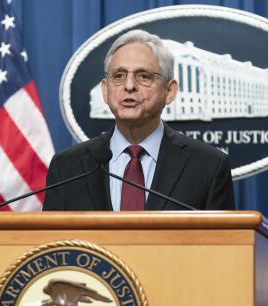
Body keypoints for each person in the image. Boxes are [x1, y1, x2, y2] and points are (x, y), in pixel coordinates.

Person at [43, 29, 234, 211]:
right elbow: (53, 244)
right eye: (118, 76)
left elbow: (222, 244)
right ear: (105, 90)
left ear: (169, 91)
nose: (129, 86)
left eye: (143, 76)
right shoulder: (67, 168)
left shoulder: (209, 167)